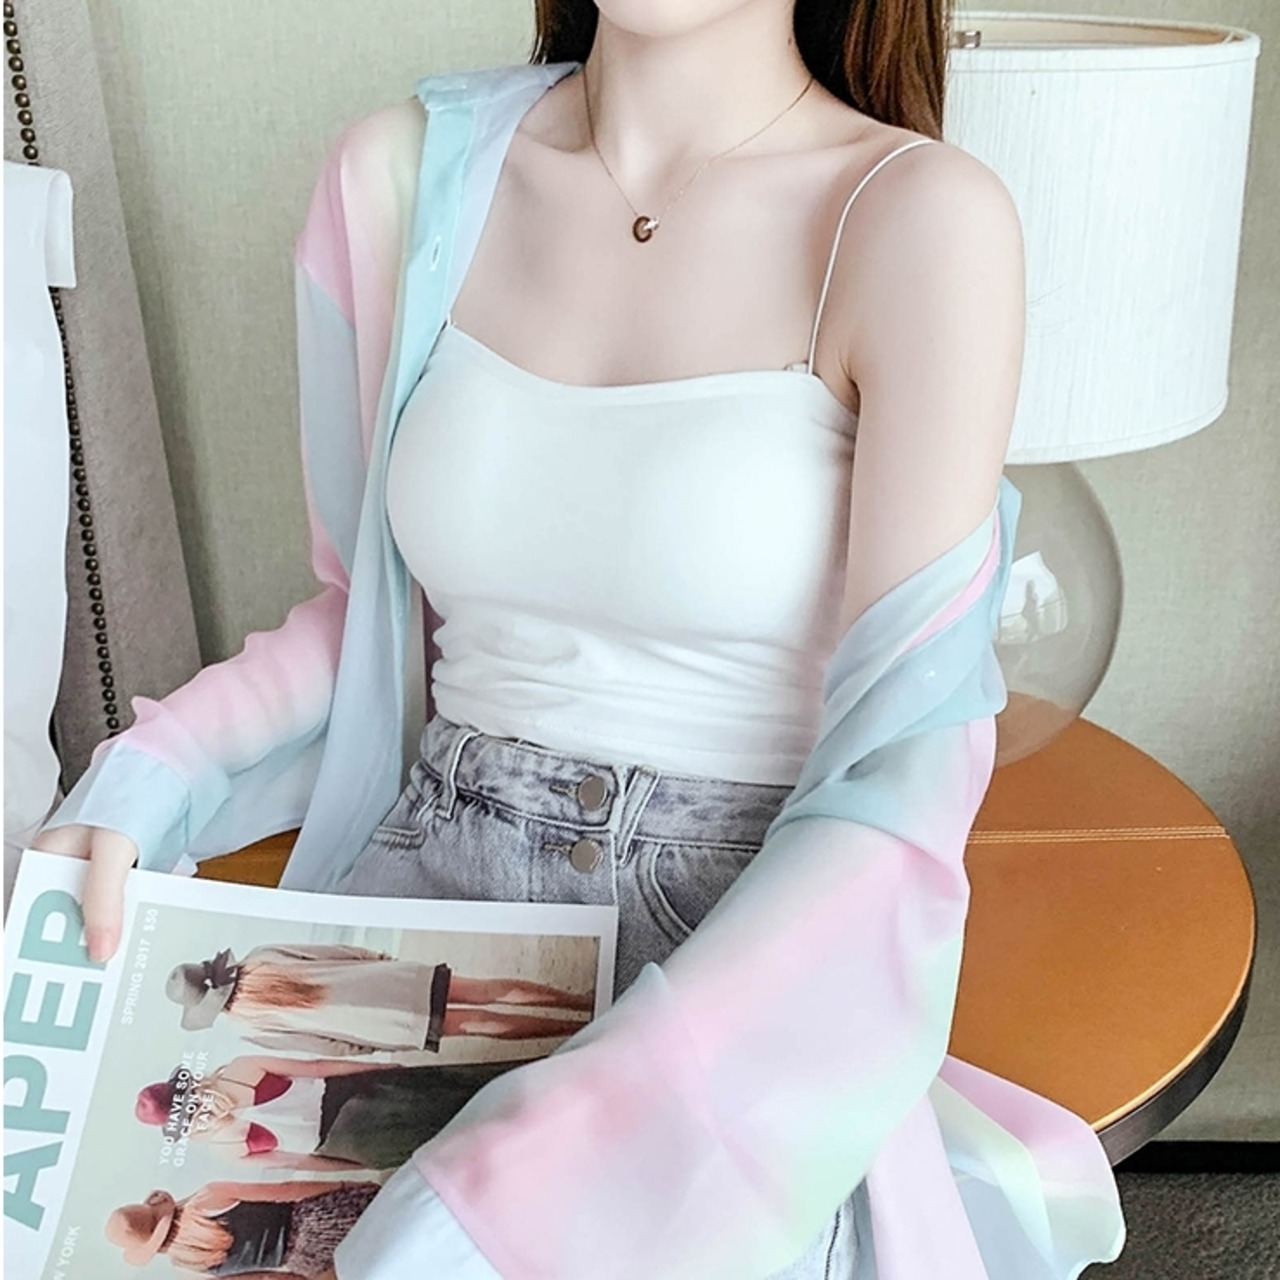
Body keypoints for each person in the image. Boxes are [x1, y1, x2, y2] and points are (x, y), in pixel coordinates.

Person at [35, 2, 1127, 1277]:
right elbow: (377, 624)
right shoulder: (399, 177)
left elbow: (901, 780)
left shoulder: (917, 219)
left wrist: (499, 1201)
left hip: (732, 971)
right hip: (420, 901)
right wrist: (152, 769)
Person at [161, 942, 592, 1054]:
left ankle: (573, 1028)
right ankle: (579, 1002)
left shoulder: (249, 1023)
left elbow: (322, 1045)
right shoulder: (261, 958)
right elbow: (332, 953)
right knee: (483, 990)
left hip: (383, 1025)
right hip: (387, 979)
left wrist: (368, 1046)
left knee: (475, 1024)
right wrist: (381, 960)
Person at [135, 1053, 537, 1171]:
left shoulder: (224, 1149)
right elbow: (317, 1067)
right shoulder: (241, 1068)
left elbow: (304, 1162)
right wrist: (377, 1067)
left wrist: (356, 1166)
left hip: (348, 1143)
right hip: (357, 1095)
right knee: (468, 1088)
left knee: (463, 1137)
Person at [104, 1181, 378, 1277]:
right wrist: (344, 1185)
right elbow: (285, 1190)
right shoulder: (209, 1197)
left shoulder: (191, 1266)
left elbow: (263, 1275)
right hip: (320, 1218)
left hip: (304, 1262)